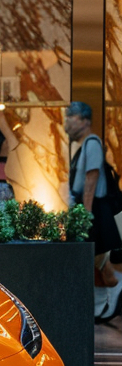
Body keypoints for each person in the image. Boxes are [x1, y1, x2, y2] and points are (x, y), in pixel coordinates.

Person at [65, 101, 122, 321]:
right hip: (88, 209)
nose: (66, 122)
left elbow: (92, 178)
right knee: (95, 259)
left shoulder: (92, 143)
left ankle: (114, 286)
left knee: (96, 257)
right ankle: (101, 302)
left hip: (93, 210)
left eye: (71, 117)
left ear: (84, 120)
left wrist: (85, 215)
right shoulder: (85, 146)